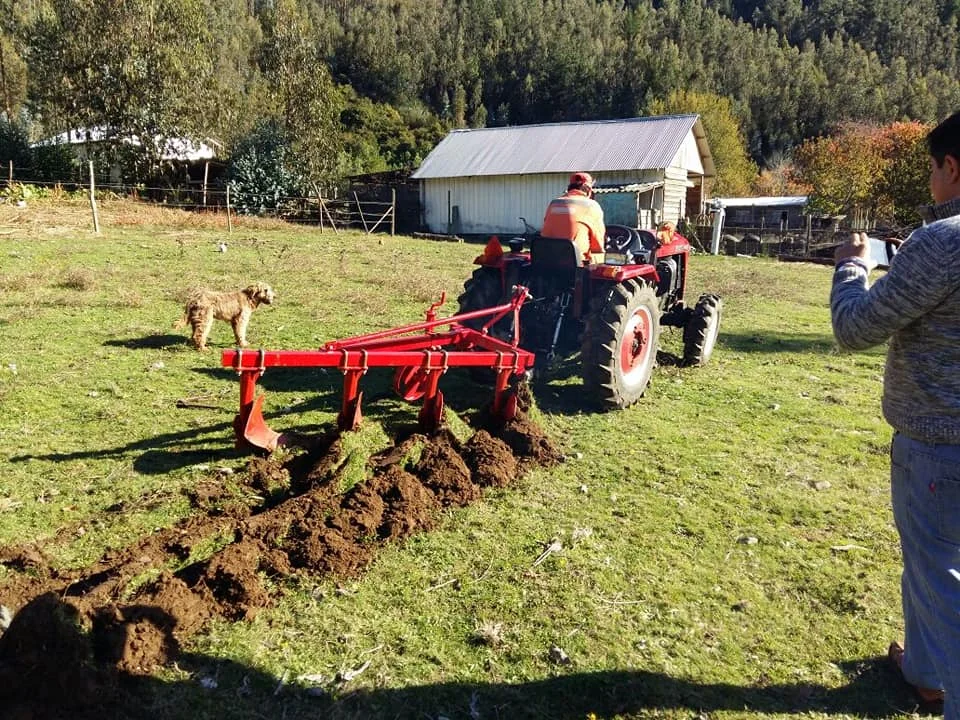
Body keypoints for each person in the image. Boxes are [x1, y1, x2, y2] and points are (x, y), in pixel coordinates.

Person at [831, 110, 960, 717]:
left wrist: (852, 266)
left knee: (938, 573)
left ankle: (945, 683)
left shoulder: (942, 242)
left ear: (951, 167)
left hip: (939, 444)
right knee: (934, 563)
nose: (931, 176)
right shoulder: (934, 251)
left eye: (932, 166)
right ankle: (926, 672)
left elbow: (855, 328)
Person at [541, 171, 606, 264]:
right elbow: (597, 244)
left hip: (546, 260)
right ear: (587, 188)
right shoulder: (591, 206)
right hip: (575, 264)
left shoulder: (554, 203)